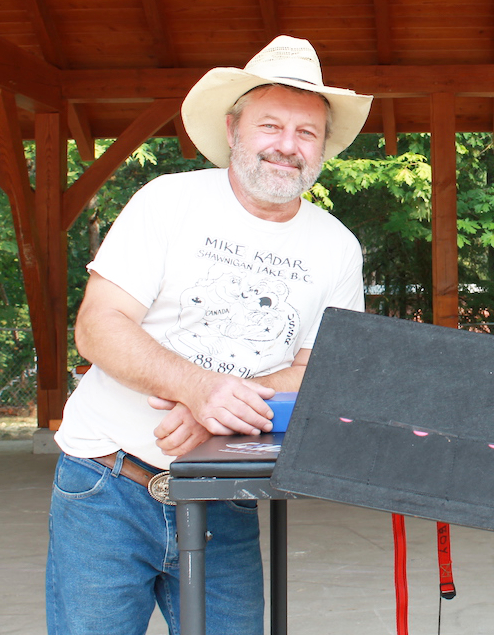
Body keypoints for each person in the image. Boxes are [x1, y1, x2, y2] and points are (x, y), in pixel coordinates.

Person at [47, 36, 373, 635]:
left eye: (306, 133)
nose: (286, 146)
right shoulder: (167, 202)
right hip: (110, 480)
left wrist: (218, 407)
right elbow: (97, 328)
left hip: (228, 492)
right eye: (270, 125)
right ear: (233, 129)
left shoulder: (336, 247)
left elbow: (321, 373)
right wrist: (199, 388)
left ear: (323, 147)